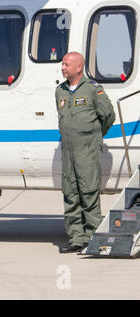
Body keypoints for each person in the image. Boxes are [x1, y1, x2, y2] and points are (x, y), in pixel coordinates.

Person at [55, 52, 115, 253]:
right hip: (68, 151)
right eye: (63, 64)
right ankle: (76, 239)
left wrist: (95, 136)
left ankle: (92, 238)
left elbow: (108, 115)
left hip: (87, 150)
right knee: (70, 193)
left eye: (66, 64)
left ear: (79, 68)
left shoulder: (92, 90)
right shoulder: (60, 91)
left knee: (88, 193)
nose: (62, 67)